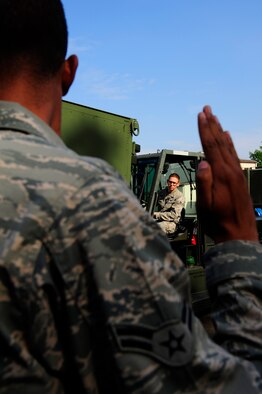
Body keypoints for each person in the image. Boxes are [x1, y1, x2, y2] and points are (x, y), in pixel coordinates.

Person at [0, 1, 261, 393]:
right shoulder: (89, 200)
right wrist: (239, 248)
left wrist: (149, 217)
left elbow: (171, 216)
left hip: (170, 224)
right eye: (170, 184)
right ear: (68, 72)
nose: (172, 186)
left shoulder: (102, 201)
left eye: (173, 183)